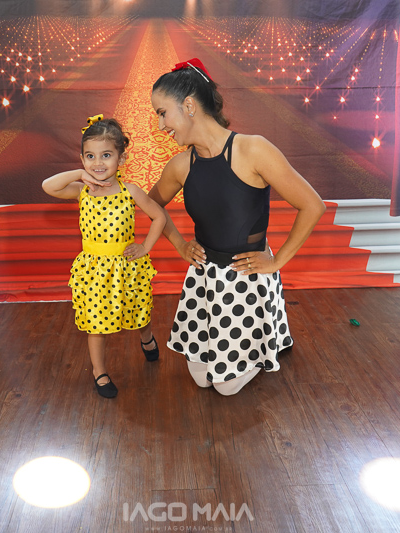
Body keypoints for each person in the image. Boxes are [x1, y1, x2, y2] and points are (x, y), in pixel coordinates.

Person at [148, 58, 326, 396]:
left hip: (247, 280)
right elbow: (151, 205)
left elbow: (312, 205)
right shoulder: (181, 165)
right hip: (204, 279)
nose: (159, 125)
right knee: (201, 378)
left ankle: (266, 338)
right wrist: (180, 244)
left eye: (162, 113)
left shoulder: (253, 149)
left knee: (225, 388)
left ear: (189, 106)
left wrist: (277, 261)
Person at [42, 115, 167, 398]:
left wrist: (145, 247)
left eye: (106, 155)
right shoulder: (82, 191)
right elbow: (48, 186)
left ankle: (146, 337)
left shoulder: (130, 191)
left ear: (121, 158)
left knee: (138, 310)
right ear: (82, 159)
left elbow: (159, 216)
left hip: (127, 267)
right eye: (90, 156)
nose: (98, 163)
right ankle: (99, 372)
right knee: (95, 325)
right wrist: (78, 173)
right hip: (95, 271)